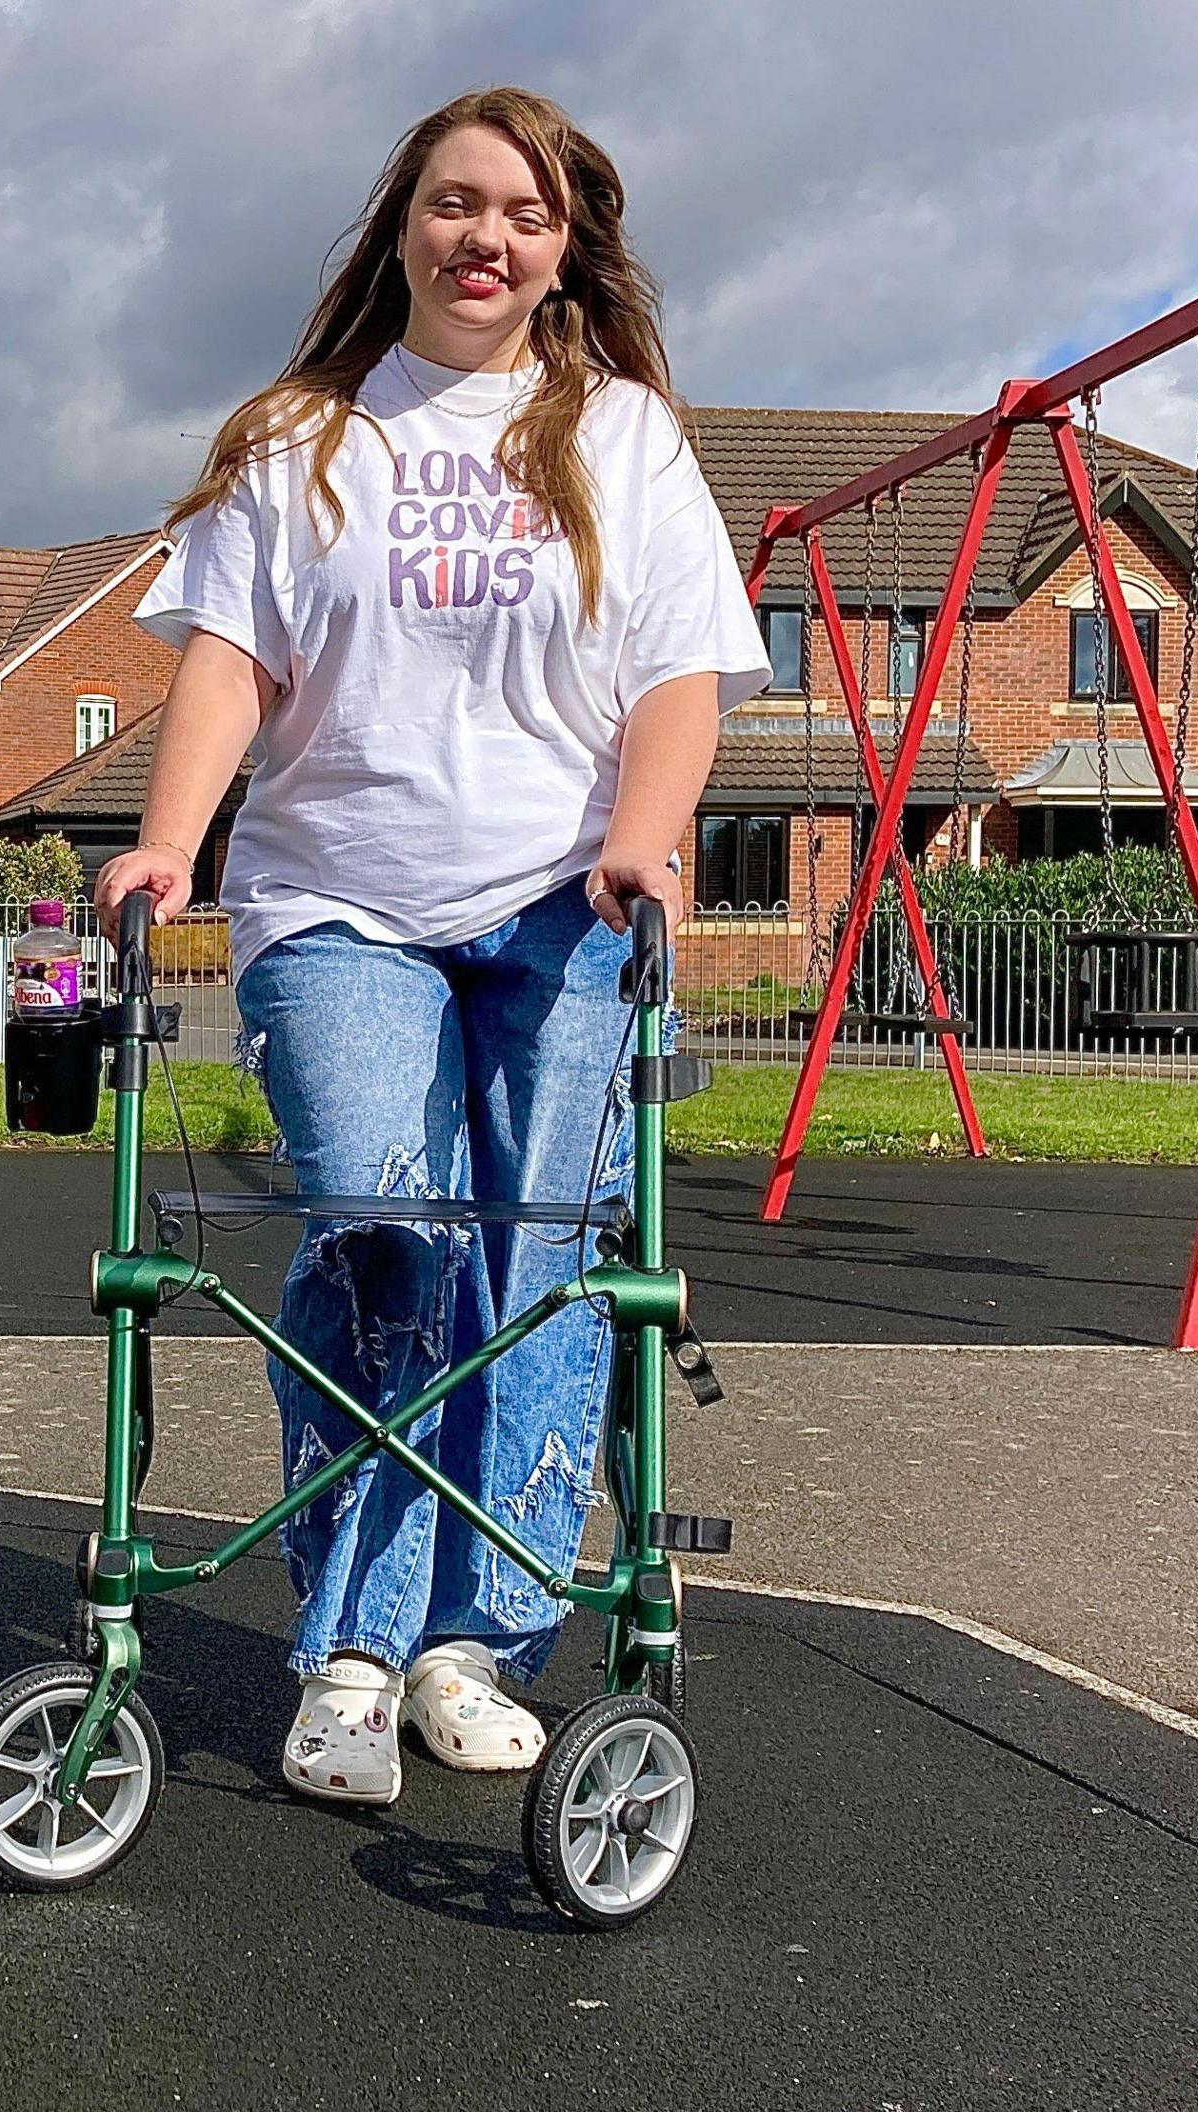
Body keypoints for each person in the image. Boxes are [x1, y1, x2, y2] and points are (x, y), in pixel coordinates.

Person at [104, 86, 763, 1805]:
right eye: (459, 204)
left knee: (541, 1260)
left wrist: (647, 836)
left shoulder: (622, 436)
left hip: (563, 899)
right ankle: (350, 1646)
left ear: (565, 252)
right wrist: (167, 844)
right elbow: (227, 662)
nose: (489, 238)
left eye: (527, 216)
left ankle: (478, 1639)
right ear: (401, 221)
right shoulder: (298, 437)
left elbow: (680, 676)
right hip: (334, 901)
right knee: (390, 1237)